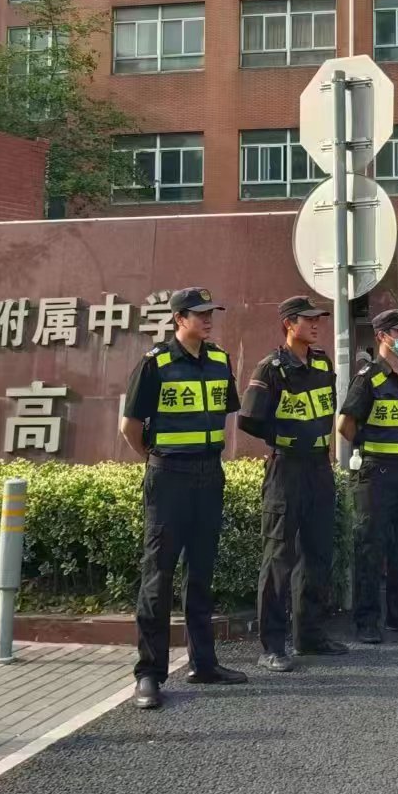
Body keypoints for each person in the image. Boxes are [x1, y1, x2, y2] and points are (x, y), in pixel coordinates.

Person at [123, 288, 246, 709]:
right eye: (199, 314)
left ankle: (203, 663)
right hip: (169, 476)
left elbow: (225, 412)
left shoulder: (219, 361)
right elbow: (130, 427)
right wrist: (157, 458)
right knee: (158, 575)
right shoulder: (155, 363)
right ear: (179, 318)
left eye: (211, 313)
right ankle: (149, 674)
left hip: (209, 474)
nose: (208, 319)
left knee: (201, 573)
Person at [243, 296, 349, 673]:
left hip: (319, 467)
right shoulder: (271, 368)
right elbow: (250, 419)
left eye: (318, 319)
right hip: (286, 468)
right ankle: (272, 645)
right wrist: (286, 437)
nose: (316, 324)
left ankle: (310, 635)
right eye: (308, 319)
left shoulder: (321, 362)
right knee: (279, 557)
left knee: (317, 553)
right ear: (289, 324)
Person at [338, 310, 398, 643]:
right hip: (376, 471)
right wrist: (367, 448)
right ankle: (366, 620)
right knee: (370, 546)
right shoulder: (368, 377)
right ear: (382, 336)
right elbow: (345, 424)